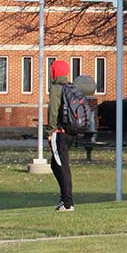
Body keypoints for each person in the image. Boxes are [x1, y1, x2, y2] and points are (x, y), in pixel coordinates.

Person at [46, 59, 75, 212]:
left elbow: (53, 111)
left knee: (62, 167)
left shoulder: (56, 89)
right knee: (55, 164)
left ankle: (68, 203)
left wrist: (49, 131)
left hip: (58, 133)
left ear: (55, 72)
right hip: (70, 132)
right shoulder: (70, 87)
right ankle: (64, 198)